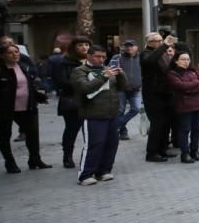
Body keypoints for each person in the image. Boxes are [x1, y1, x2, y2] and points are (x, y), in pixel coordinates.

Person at [72, 45, 127, 185]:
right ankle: (85, 175)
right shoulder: (80, 71)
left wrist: (121, 75)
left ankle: (104, 171)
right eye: (98, 56)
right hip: (93, 114)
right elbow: (84, 88)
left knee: (111, 144)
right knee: (94, 145)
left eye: (103, 57)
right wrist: (104, 77)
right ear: (89, 56)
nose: (101, 59)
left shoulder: (106, 69)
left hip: (111, 114)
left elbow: (122, 87)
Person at [0, 44, 50, 172]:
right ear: (2, 55)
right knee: (4, 135)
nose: (15, 54)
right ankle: (10, 162)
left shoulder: (22, 67)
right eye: (11, 53)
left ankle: (35, 159)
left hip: (26, 106)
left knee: (32, 133)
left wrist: (39, 97)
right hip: (5, 109)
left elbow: (28, 86)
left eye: (16, 52)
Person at [55, 36, 91, 169]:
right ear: (74, 47)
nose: (84, 48)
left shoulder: (92, 61)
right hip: (72, 102)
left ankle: (90, 156)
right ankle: (67, 156)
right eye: (81, 45)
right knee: (71, 130)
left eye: (86, 45)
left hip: (92, 102)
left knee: (91, 131)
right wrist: (83, 84)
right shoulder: (65, 62)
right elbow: (61, 82)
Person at [167, 51, 199, 163]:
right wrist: (195, 83)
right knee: (185, 130)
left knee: (197, 129)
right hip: (184, 106)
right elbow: (180, 86)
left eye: (188, 59)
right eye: (183, 59)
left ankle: (194, 151)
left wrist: (191, 88)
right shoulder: (172, 74)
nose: (186, 62)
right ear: (176, 61)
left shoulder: (194, 70)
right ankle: (185, 154)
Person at [141, 32, 176, 163]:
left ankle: (162, 149)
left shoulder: (164, 54)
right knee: (157, 123)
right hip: (153, 94)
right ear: (148, 43)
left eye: (161, 40)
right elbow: (150, 61)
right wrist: (165, 45)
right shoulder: (145, 53)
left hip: (166, 93)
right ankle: (151, 153)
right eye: (156, 41)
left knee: (166, 123)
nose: (160, 43)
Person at [110, 39, 142, 140]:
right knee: (120, 111)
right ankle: (123, 132)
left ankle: (116, 125)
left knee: (136, 109)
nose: (129, 48)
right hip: (121, 88)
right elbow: (111, 71)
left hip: (136, 89)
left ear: (136, 47)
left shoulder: (141, 58)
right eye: (126, 46)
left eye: (131, 46)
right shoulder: (117, 57)